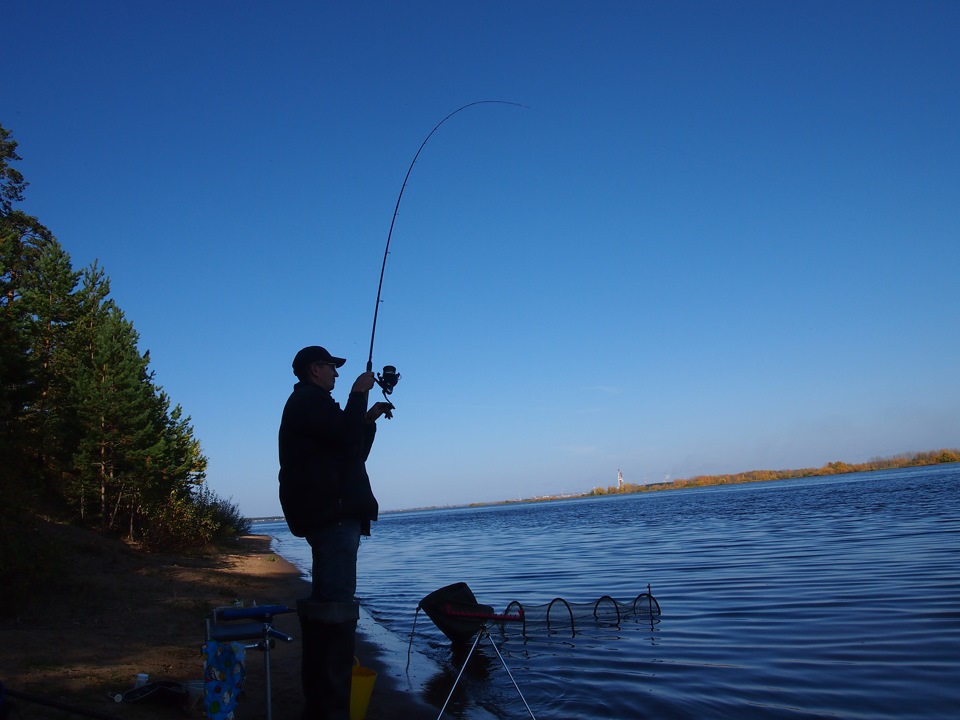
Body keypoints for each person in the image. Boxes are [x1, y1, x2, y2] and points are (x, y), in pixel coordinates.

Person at [278, 345, 392, 720]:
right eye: (332, 367)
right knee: (336, 608)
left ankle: (324, 705)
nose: (337, 374)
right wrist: (359, 394)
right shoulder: (309, 402)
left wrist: (369, 417)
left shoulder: (315, 406)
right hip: (333, 519)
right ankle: (330, 709)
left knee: (327, 605)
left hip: (333, 516)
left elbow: (351, 450)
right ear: (315, 369)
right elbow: (345, 437)